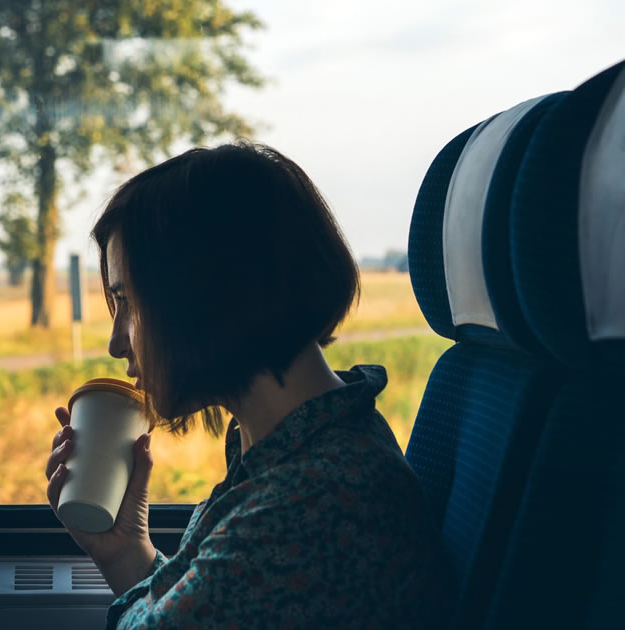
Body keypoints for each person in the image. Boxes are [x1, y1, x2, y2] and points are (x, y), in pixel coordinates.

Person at [44, 142, 453, 628]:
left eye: (128, 301)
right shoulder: (293, 452)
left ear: (206, 296)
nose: (116, 342)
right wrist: (123, 551)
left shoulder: (308, 504)